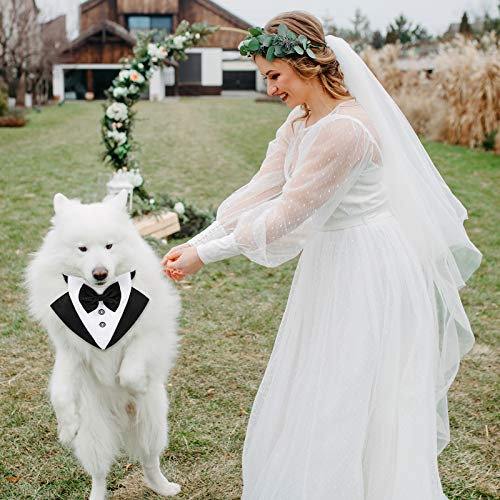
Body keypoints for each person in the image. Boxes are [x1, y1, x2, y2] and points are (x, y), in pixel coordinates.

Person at [162, 11, 481, 500]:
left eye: (274, 76)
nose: (270, 89)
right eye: (265, 77)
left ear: (305, 63)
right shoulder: (302, 120)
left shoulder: (346, 131)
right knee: (319, 380)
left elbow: (288, 215)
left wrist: (208, 257)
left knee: (349, 388)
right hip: (332, 258)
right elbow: (260, 189)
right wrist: (199, 240)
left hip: (368, 264)